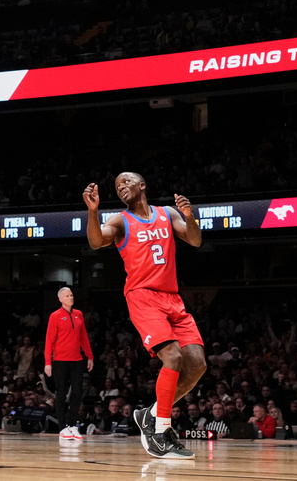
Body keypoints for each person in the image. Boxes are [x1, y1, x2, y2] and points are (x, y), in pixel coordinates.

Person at [83, 172, 205, 459]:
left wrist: (190, 216)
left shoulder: (167, 213)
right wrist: (92, 213)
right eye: (117, 187)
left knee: (197, 365)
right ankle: (160, 432)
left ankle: (149, 414)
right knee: (173, 357)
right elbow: (97, 242)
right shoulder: (119, 220)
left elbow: (196, 240)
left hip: (173, 298)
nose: (121, 188)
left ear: (142, 186)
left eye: (126, 182)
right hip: (143, 296)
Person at [44, 286, 94, 441]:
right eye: (67, 296)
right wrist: (48, 362)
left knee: (77, 393)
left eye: (71, 295)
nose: (71, 298)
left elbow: (83, 337)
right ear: (60, 299)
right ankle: (62, 428)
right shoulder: (55, 316)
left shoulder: (79, 314)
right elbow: (49, 339)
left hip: (77, 360)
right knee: (61, 394)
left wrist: (89, 356)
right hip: (60, 361)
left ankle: (72, 425)